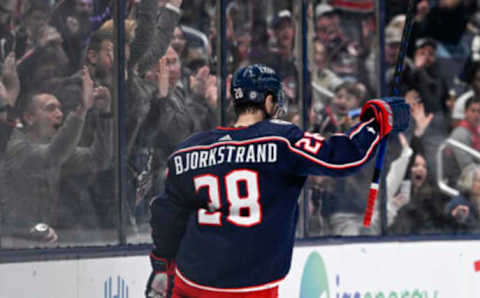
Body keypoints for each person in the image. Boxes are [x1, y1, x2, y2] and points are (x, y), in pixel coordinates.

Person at [145, 64, 410, 297]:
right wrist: (376, 122)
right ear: (270, 101)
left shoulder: (189, 150)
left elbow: (166, 215)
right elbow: (343, 158)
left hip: (192, 279)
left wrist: (161, 264)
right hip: (250, 286)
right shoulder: (282, 139)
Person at [1, 67, 113, 246]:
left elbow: (98, 159)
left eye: (60, 108)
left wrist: (105, 114)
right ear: (29, 118)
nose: (59, 114)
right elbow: (51, 156)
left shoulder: (54, 149)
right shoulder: (15, 146)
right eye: (50, 109)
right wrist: (81, 110)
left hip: (41, 240)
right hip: (9, 243)